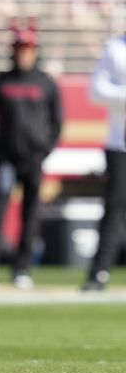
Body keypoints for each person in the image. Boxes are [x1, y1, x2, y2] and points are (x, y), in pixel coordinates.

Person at [0, 27, 62, 290]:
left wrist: (43, 151)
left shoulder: (46, 83)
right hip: (7, 161)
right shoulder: (2, 83)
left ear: (34, 51)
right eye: (19, 50)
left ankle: (22, 268)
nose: (23, 55)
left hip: (34, 161)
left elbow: (56, 123)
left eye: (27, 50)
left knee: (31, 214)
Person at [82, 32, 126, 291]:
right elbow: (96, 91)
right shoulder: (115, 49)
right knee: (114, 208)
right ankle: (99, 273)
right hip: (119, 144)